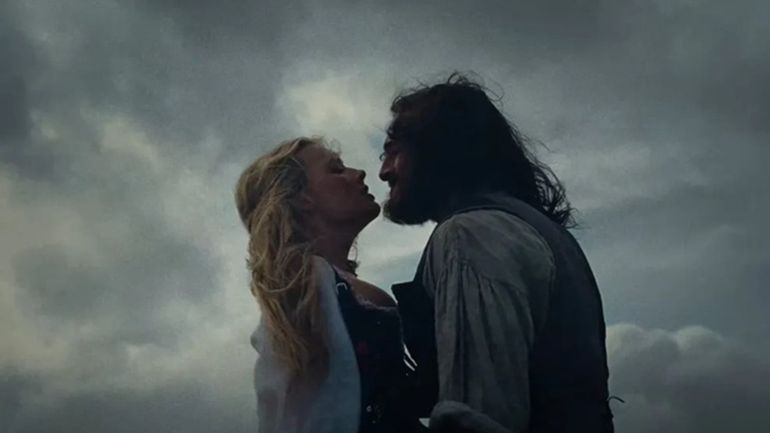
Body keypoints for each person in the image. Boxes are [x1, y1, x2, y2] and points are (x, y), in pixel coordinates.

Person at [379, 74, 615, 433]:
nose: (383, 171)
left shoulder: (470, 235)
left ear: (438, 148)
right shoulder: (540, 232)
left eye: (394, 151)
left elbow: (477, 416)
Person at [235, 137, 428, 433]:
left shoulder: (317, 293)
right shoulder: (307, 294)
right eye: (336, 169)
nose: (359, 173)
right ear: (301, 198)